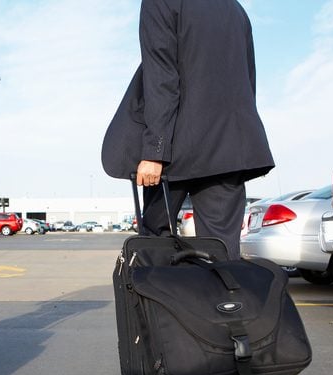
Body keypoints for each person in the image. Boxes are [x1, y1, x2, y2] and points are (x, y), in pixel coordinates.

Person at [102, 0, 274, 259]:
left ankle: (166, 287)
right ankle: (222, 287)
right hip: (228, 150)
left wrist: (155, 151)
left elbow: (161, 77)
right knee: (222, 252)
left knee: (156, 245)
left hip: (175, 148)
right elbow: (248, 81)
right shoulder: (236, 9)